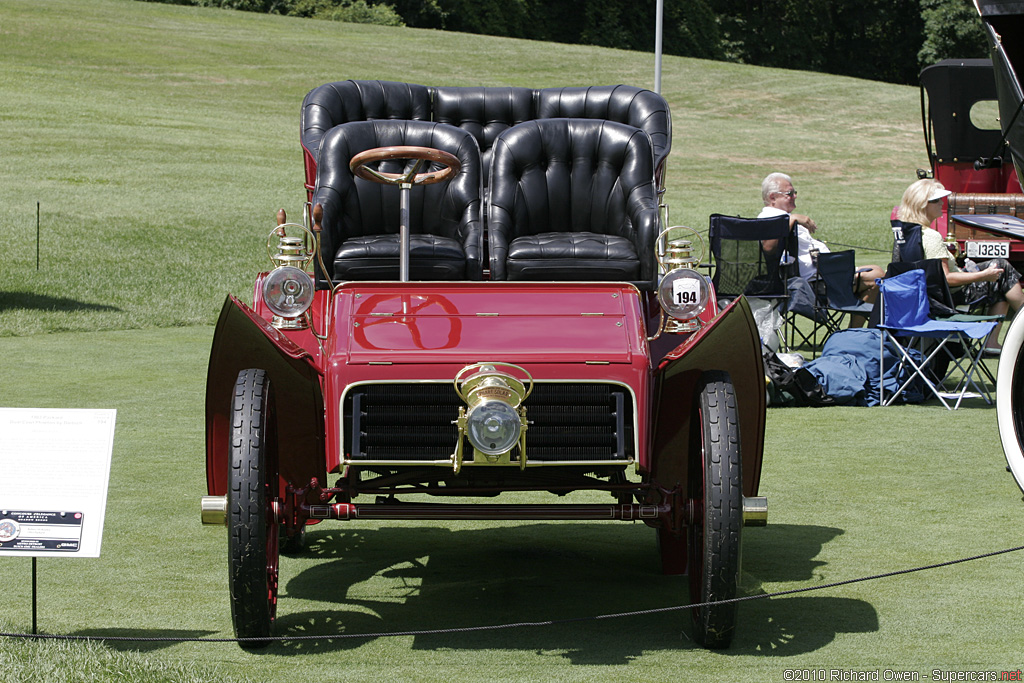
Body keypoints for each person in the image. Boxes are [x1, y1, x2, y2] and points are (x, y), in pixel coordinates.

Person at [898, 178, 1024, 354]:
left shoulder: (906, 232)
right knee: (1002, 269)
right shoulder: (931, 236)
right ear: (923, 205)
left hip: (922, 297)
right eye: (937, 200)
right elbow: (947, 279)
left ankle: (992, 342)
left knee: (999, 274)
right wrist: (983, 275)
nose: (942, 203)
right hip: (947, 299)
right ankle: (997, 338)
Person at [759, 172, 883, 324]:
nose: (794, 196)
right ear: (772, 197)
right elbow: (768, 247)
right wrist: (792, 218)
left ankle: (854, 332)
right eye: (789, 193)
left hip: (824, 276)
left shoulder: (780, 217)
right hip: (815, 284)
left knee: (876, 272)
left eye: (794, 192)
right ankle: (855, 332)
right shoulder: (769, 218)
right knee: (877, 276)